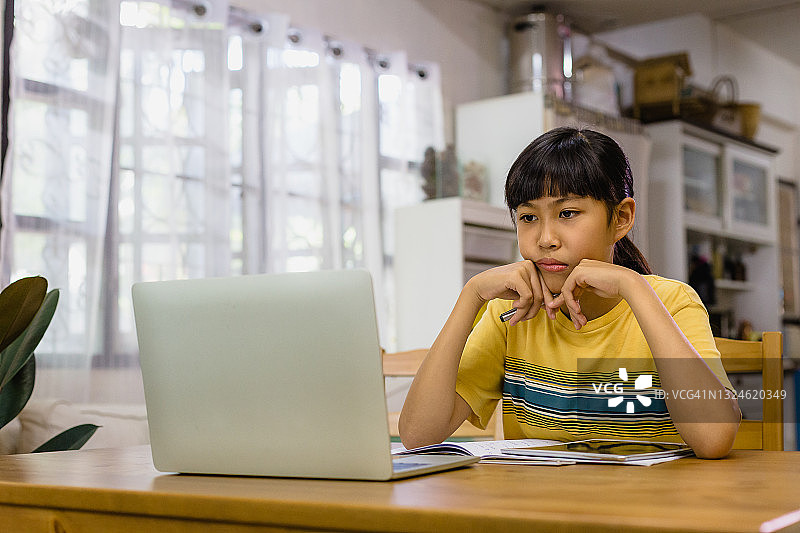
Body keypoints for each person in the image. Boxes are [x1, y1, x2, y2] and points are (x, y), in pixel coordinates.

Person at [399, 127, 741, 459]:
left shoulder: (672, 302)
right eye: (528, 217)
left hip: (651, 510)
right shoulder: (512, 315)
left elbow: (713, 439)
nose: (546, 238)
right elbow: (417, 436)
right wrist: (471, 295)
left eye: (567, 213)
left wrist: (633, 287)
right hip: (546, 510)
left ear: (621, 218)